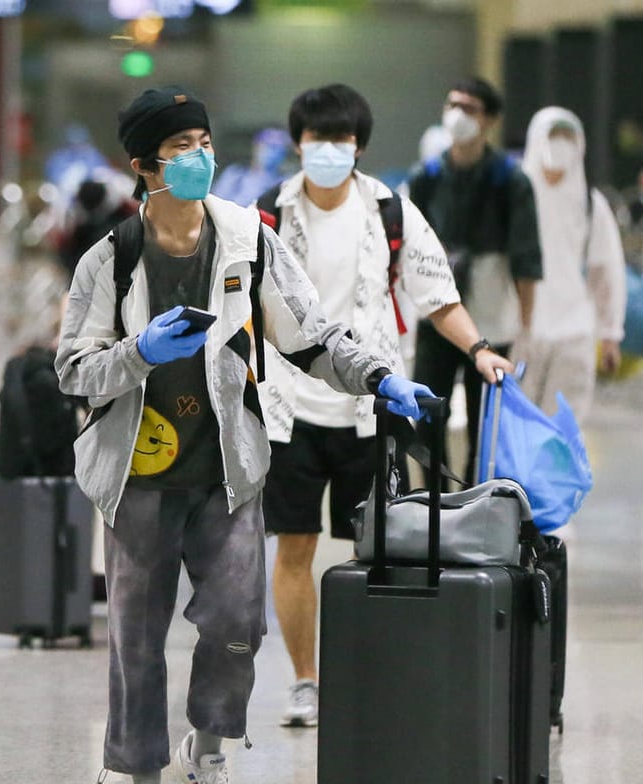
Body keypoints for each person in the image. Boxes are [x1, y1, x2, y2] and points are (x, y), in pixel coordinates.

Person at [54, 85, 435, 784]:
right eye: (180, 147)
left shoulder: (247, 239)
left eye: (203, 141)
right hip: (135, 477)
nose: (200, 158)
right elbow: (70, 368)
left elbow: (311, 334)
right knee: (136, 638)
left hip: (227, 468)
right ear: (143, 166)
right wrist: (137, 355)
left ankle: (211, 754)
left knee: (235, 624)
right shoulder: (112, 257)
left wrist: (376, 376)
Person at [256, 84, 515, 729]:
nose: (328, 151)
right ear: (298, 143)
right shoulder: (265, 215)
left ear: (359, 147)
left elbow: (437, 296)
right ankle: (306, 680)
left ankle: (358, 675)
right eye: (317, 139)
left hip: (373, 407)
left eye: (340, 141)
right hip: (289, 407)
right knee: (294, 546)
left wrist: (480, 349)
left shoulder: (391, 213)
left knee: (369, 552)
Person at [407, 77, 541, 483]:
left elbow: (525, 260)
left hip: (490, 313)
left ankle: (476, 499)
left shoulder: (510, 180)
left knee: (486, 422)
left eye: (470, 108)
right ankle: (434, 504)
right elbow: (408, 248)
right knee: (428, 414)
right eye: (453, 105)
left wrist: (525, 327)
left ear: (489, 121)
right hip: (437, 313)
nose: (458, 115)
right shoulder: (427, 175)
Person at [517, 107, 626, 418]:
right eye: (554, 136)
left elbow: (607, 271)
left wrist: (610, 334)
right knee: (516, 428)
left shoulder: (591, 205)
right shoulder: (517, 196)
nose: (560, 144)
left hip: (574, 330)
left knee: (564, 430)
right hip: (522, 329)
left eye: (567, 136)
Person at [210, 126, 292, 207]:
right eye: (270, 146)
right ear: (256, 146)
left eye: (280, 148)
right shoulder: (235, 175)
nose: (275, 152)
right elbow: (215, 204)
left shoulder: (285, 183)